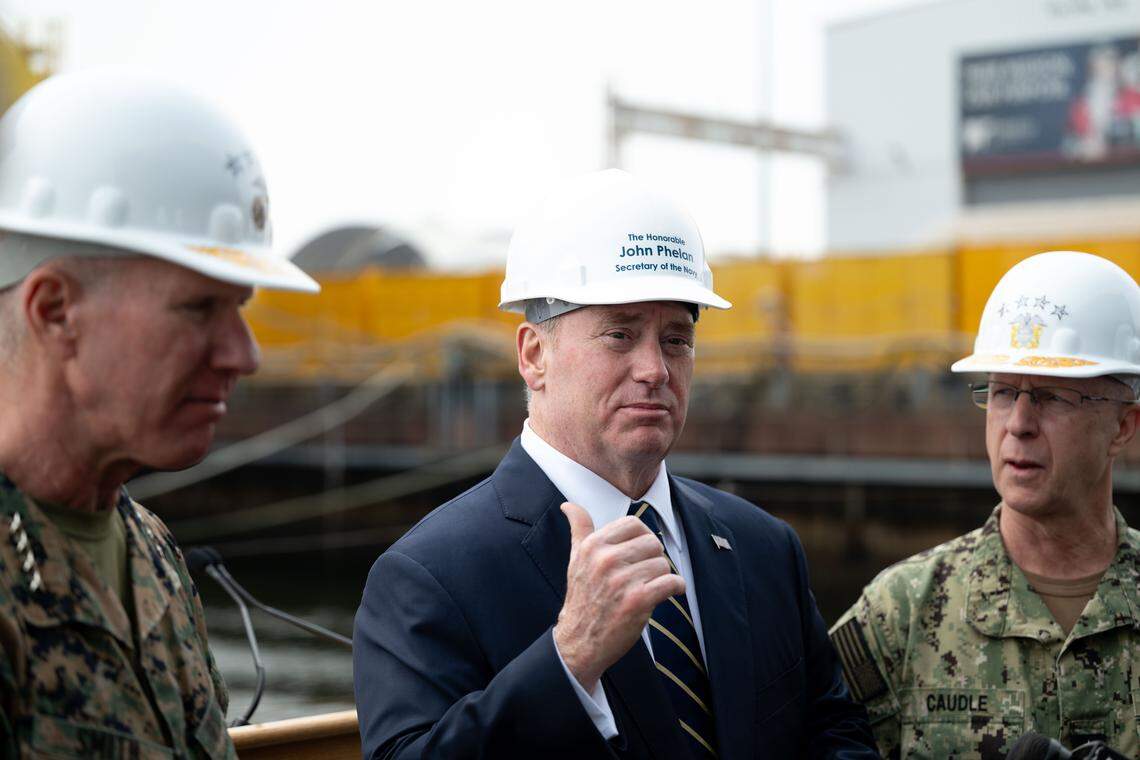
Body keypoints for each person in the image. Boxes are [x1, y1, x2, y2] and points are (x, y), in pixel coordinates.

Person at [353, 169, 877, 759]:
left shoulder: (763, 547)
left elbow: (835, 734)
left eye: (676, 339)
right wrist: (569, 659)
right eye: (620, 335)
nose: (655, 368)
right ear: (534, 356)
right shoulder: (430, 577)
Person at [0, 71, 318, 758]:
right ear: (56, 311)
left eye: (239, 308)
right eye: (199, 307)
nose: (245, 354)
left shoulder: (150, 550)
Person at [831, 251, 1140, 759]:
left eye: (1053, 396)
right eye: (1001, 393)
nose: (1018, 423)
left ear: (1122, 427)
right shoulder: (901, 614)